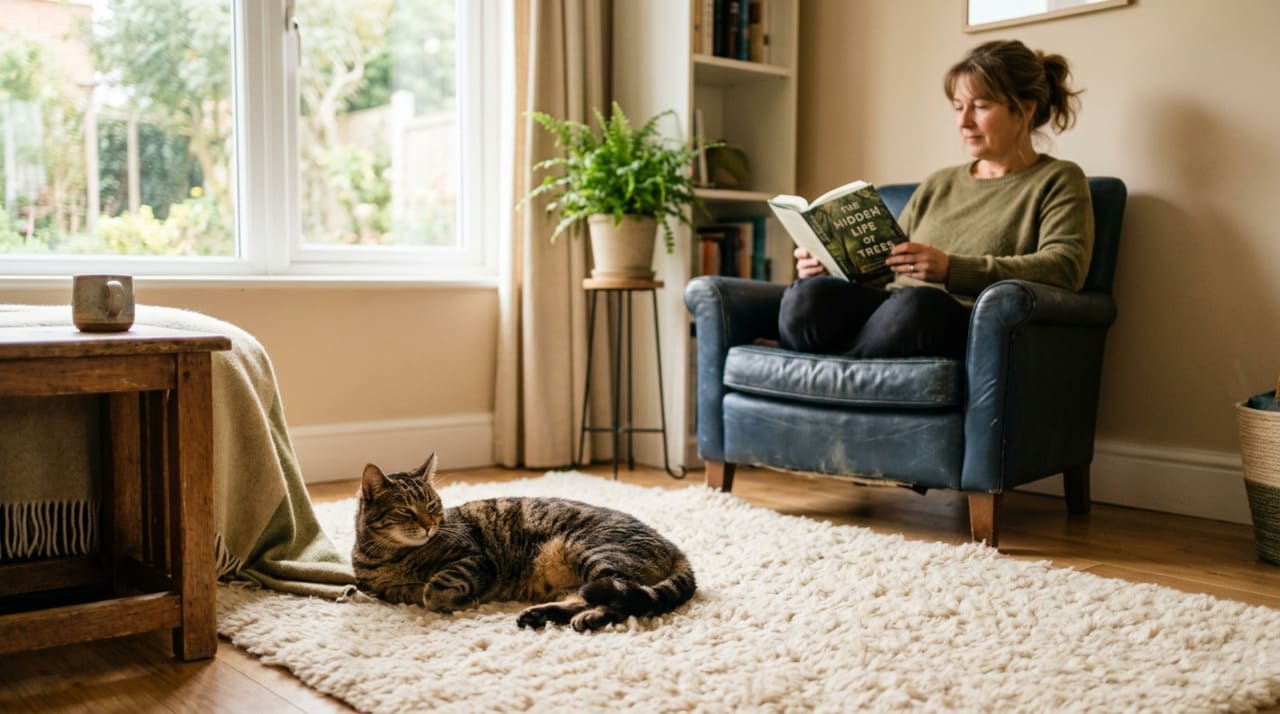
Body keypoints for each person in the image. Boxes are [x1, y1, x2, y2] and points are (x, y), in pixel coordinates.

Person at [778, 39, 1094, 360]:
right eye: (959, 107)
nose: (964, 122)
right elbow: (886, 269)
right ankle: (843, 366)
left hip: (952, 318)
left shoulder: (1059, 179)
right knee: (807, 296)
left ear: (1026, 109)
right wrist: (829, 268)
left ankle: (830, 368)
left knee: (918, 306)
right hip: (889, 310)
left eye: (981, 106)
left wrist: (952, 269)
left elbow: (1064, 267)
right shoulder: (938, 183)